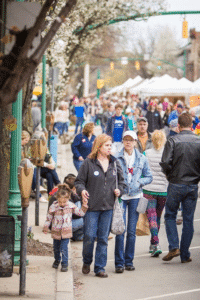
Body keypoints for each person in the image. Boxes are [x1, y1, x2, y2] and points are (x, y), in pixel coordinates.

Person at [75, 134, 125, 278]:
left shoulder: (115, 163)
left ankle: (99, 268)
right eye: (107, 145)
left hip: (108, 207)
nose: (110, 148)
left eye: (111, 145)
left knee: (103, 238)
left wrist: (119, 190)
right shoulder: (88, 163)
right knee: (89, 236)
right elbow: (79, 182)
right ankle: (87, 261)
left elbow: (122, 183)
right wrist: (82, 190)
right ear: (99, 147)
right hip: (92, 207)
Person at [160, 113, 200, 263]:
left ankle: (174, 246)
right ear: (192, 125)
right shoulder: (197, 140)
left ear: (178, 126)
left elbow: (165, 162)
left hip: (176, 182)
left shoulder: (173, 140)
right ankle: (184, 254)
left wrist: (169, 175)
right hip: (192, 184)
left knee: (170, 215)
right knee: (188, 220)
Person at [114, 131, 152, 273]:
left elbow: (149, 176)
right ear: (123, 141)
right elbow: (112, 176)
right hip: (122, 197)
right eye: (125, 140)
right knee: (120, 230)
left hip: (136, 196)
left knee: (131, 231)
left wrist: (139, 182)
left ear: (135, 142)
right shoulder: (116, 157)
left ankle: (128, 261)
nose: (128, 142)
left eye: (131, 140)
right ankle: (119, 263)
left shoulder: (142, 158)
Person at [43, 184, 87, 272]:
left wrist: (84, 206)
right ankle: (57, 260)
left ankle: (64, 264)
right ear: (57, 198)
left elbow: (80, 214)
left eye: (64, 202)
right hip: (56, 231)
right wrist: (46, 226)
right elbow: (49, 218)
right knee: (56, 248)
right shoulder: (54, 206)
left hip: (66, 231)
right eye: (60, 202)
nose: (62, 204)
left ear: (68, 199)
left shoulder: (71, 206)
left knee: (64, 248)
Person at [143, 130, 168, 257]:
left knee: (151, 217)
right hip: (163, 191)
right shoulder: (168, 154)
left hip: (149, 190)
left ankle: (155, 243)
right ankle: (153, 243)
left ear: (152, 140)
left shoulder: (146, 154)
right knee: (157, 217)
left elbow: (142, 170)